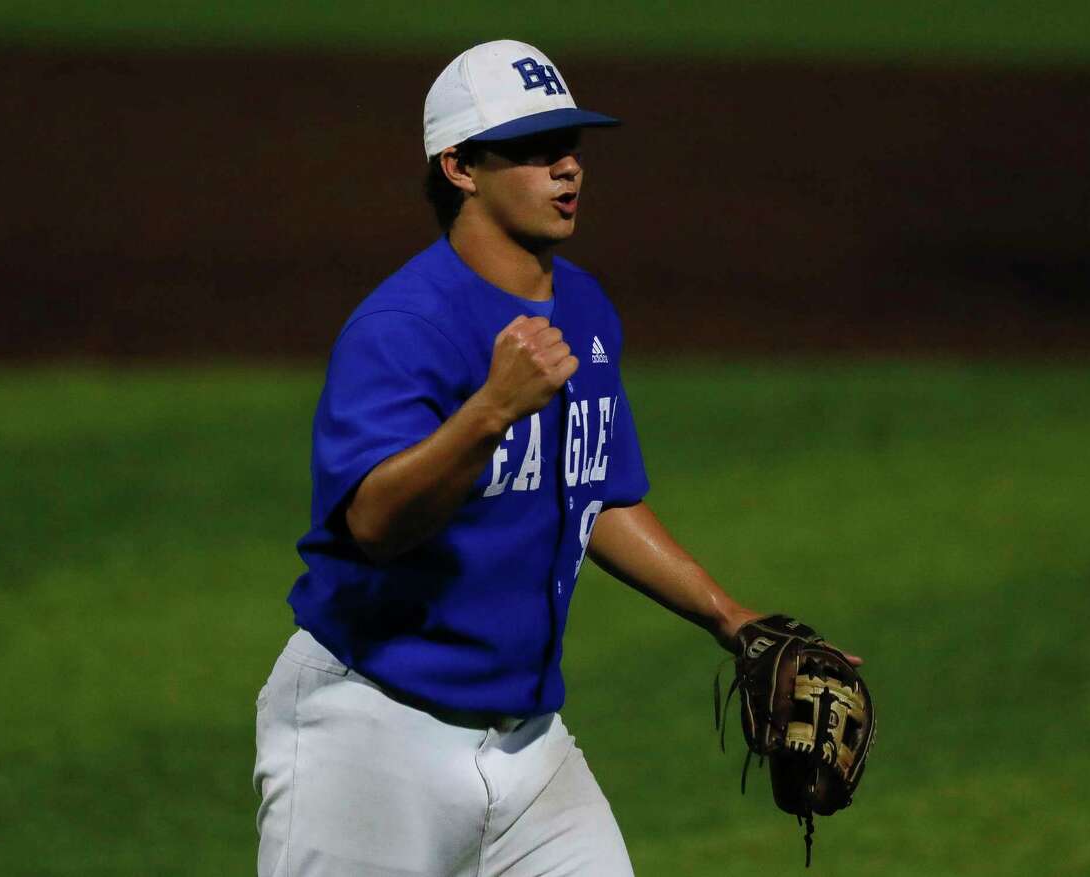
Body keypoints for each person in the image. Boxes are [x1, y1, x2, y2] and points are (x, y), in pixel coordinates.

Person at [253, 39, 769, 876]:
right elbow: (374, 523)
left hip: (531, 744)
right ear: (459, 166)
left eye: (569, 147)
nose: (565, 169)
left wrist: (727, 615)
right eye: (532, 152)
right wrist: (489, 410)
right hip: (371, 730)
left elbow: (599, 493)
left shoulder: (587, 308)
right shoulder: (403, 327)